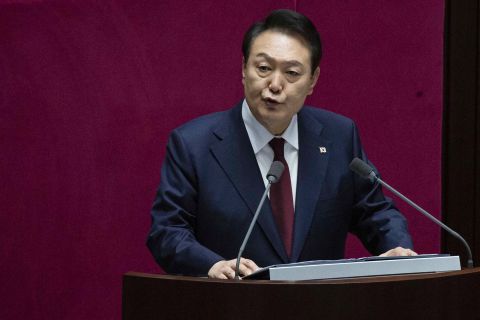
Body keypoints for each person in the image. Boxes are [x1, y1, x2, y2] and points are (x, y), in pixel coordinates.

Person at [147, 9, 416, 279]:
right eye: (263, 68)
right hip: (231, 305)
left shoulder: (339, 136)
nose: (275, 85)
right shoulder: (193, 145)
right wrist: (211, 265)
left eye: (291, 73)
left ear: (312, 80)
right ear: (243, 69)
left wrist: (397, 248)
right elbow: (167, 230)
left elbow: (375, 212)